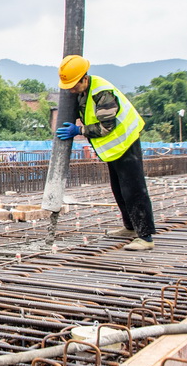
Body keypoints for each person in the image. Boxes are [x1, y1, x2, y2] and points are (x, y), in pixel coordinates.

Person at [55, 55, 156, 251]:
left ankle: (145, 237)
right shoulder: (83, 91)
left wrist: (79, 131)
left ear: (85, 78)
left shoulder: (102, 93)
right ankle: (130, 228)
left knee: (134, 190)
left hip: (125, 142)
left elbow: (106, 127)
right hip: (113, 149)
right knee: (118, 189)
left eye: (74, 85)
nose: (72, 89)